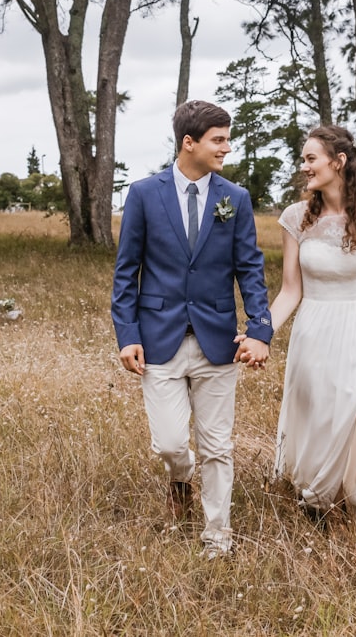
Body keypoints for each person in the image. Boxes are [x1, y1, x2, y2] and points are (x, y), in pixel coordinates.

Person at [242, 124, 356, 576]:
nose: (304, 165)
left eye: (311, 157)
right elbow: (290, 291)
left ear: (338, 161)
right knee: (320, 440)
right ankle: (318, 505)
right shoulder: (296, 218)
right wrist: (262, 333)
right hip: (316, 337)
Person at [111, 100, 272, 559]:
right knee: (170, 443)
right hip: (158, 340)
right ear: (190, 142)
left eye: (226, 138)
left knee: (218, 445)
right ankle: (179, 478)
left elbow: (250, 270)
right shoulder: (143, 194)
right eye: (218, 139)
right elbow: (127, 272)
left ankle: (217, 536)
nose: (226, 147)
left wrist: (259, 329)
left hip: (218, 341)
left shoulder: (234, 199)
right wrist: (128, 336)